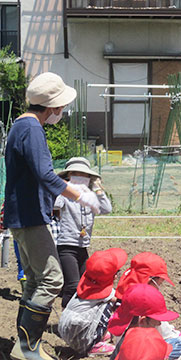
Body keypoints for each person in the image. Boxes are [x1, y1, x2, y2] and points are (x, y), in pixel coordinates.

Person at [4, 72, 101, 360]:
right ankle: (28, 348)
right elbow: (45, 174)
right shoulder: (32, 129)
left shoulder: (18, 125)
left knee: (34, 279)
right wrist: (80, 195)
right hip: (30, 216)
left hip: (21, 214)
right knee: (51, 279)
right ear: (53, 107)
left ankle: (23, 347)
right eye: (61, 107)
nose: (62, 112)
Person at [115, 252, 181, 358]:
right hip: (142, 346)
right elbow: (162, 331)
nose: (160, 285)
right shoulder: (144, 299)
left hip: (125, 346)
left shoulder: (128, 291)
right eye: (160, 282)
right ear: (151, 280)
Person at [55, 157, 112, 308]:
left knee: (84, 284)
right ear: (68, 176)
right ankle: (66, 321)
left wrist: (98, 189)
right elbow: (54, 204)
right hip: (66, 246)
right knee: (72, 285)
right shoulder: (64, 196)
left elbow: (107, 209)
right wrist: (61, 188)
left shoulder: (92, 197)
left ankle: (77, 318)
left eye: (84, 174)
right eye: (75, 174)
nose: (80, 177)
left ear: (89, 178)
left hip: (82, 247)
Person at [58, 248, 128, 356]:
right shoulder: (105, 294)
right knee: (111, 305)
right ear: (114, 276)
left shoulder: (87, 285)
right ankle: (94, 345)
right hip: (81, 341)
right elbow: (122, 300)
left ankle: (97, 336)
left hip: (66, 330)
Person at [108, 284, 180, 360]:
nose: (159, 323)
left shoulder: (126, 340)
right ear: (143, 320)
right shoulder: (144, 345)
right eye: (156, 320)